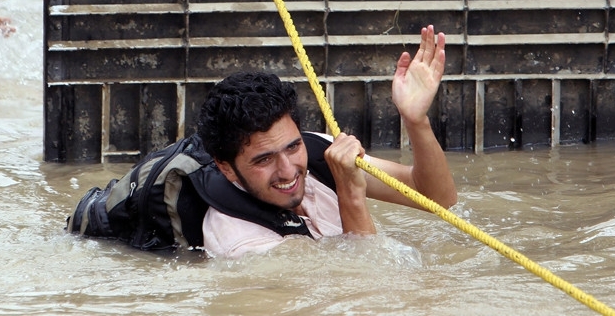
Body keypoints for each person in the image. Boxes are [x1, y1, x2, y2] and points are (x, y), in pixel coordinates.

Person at [195, 25, 458, 258]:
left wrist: (416, 120)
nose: (288, 170)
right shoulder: (241, 244)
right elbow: (372, 287)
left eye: (293, 146)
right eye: (264, 159)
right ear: (226, 167)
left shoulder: (320, 150)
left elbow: (438, 199)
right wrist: (350, 193)